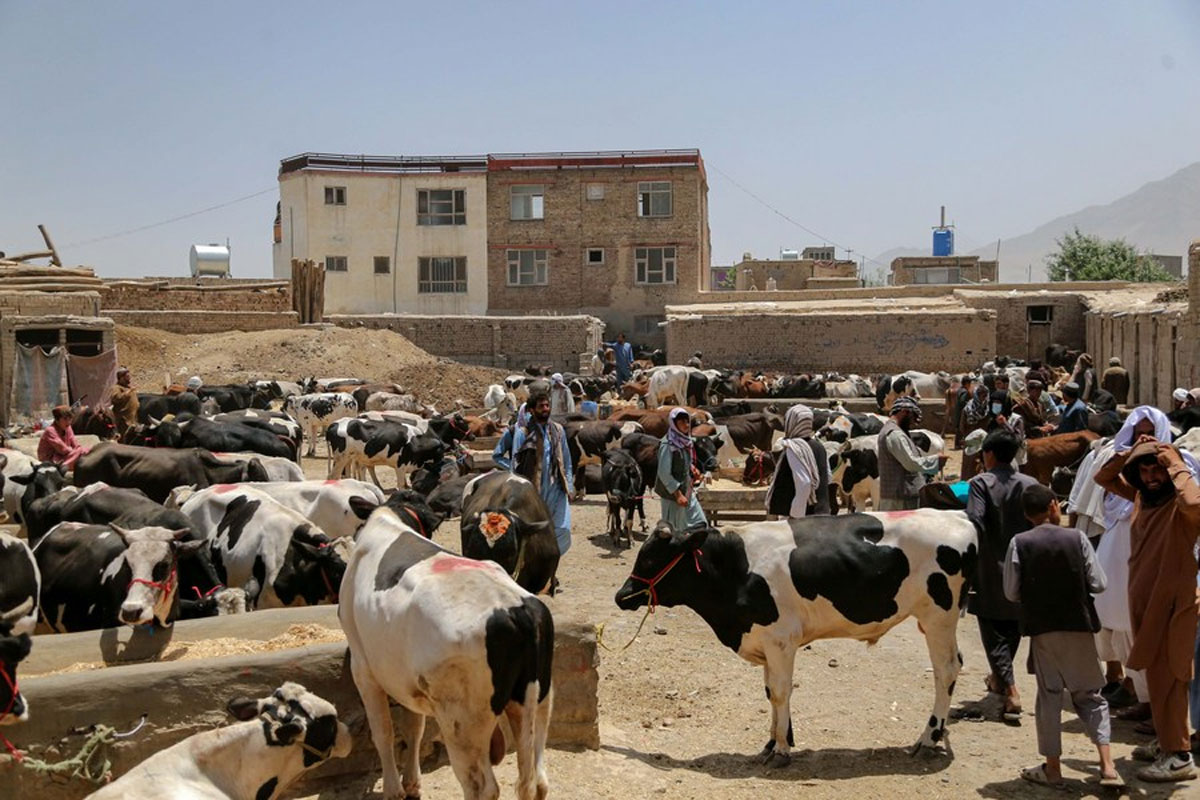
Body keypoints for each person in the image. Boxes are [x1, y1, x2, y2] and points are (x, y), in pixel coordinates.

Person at [1095, 437, 1200, 782]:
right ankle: (1168, 740)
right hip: (1146, 604)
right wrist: (1129, 453)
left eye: (1158, 469)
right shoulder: (1142, 497)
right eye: (1146, 469)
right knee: (1155, 676)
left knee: (1171, 676)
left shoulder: (1181, 508)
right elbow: (1103, 478)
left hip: (1173, 605)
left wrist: (1175, 462)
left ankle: (1180, 756)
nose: (1152, 475)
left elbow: (1195, 500)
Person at [1003, 484, 1120, 789]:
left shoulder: (1019, 542)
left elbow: (1011, 592)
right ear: (1054, 505)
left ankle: (1052, 768)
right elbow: (1099, 583)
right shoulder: (1077, 537)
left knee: (1050, 696)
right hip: (1080, 627)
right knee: (1091, 696)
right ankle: (1108, 767)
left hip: (1043, 631)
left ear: (1027, 516)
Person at [966, 429, 1040, 721]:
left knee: (991, 628)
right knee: (1012, 625)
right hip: (1025, 565)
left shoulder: (981, 483)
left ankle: (1010, 690)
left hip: (991, 566)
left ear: (989, 454)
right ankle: (999, 679)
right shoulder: (1031, 483)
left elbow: (975, 520)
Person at [511, 391, 573, 556]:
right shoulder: (522, 433)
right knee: (535, 529)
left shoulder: (558, 430)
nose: (545, 409)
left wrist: (570, 485)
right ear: (531, 410)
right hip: (533, 490)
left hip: (557, 488)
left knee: (562, 530)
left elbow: (566, 460)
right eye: (541, 406)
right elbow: (515, 464)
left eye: (547, 405)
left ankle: (550, 562)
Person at [876, 396, 947, 511]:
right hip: (901, 499)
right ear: (904, 412)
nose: (913, 423)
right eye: (913, 417)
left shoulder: (892, 431)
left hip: (897, 496)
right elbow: (910, 463)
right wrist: (936, 461)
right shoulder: (895, 434)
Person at [765, 405, 827, 519]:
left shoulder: (795, 448)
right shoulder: (819, 446)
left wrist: (795, 517)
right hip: (820, 515)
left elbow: (804, 483)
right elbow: (828, 477)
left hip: (800, 519)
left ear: (792, 422)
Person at [655, 408, 707, 531]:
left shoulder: (683, 441)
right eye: (682, 422)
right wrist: (678, 495)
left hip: (687, 492)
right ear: (674, 423)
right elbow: (664, 473)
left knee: (700, 523)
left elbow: (683, 461)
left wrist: (692, 468)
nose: (686, 425)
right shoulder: (668, 445)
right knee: (675, 531)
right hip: (673, 497)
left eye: (687, 421)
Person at [491, 402, 529, 470]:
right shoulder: (512, 432)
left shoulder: (542, 431)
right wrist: (513, 467)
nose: (530, 415)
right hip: (518, 477)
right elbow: (497, 456)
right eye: (527, 412)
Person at [109, 367, 139, 438]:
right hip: (123, 421)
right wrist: (128, 392)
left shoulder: (128, 388)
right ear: (122, 378)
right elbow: (116, 398)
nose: (129, 378)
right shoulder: (116, 388)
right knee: (124, 439)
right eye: (127, 376)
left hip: (132, 419)